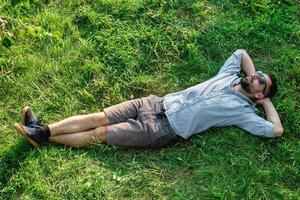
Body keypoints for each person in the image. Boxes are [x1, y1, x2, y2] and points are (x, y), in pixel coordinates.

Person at [14, 49, 284, 149]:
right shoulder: (229, 76)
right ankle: (41, 131)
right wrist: (253, 77)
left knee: (99, 133)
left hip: (163, 130)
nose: (255, 76)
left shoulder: (243, 113)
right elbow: (241, 53)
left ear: (260, 93)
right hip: (155, 103)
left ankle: (40, 136)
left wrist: (264, 103)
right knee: (97, 116)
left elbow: (275, 130)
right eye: (257, 74)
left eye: (261, 81)